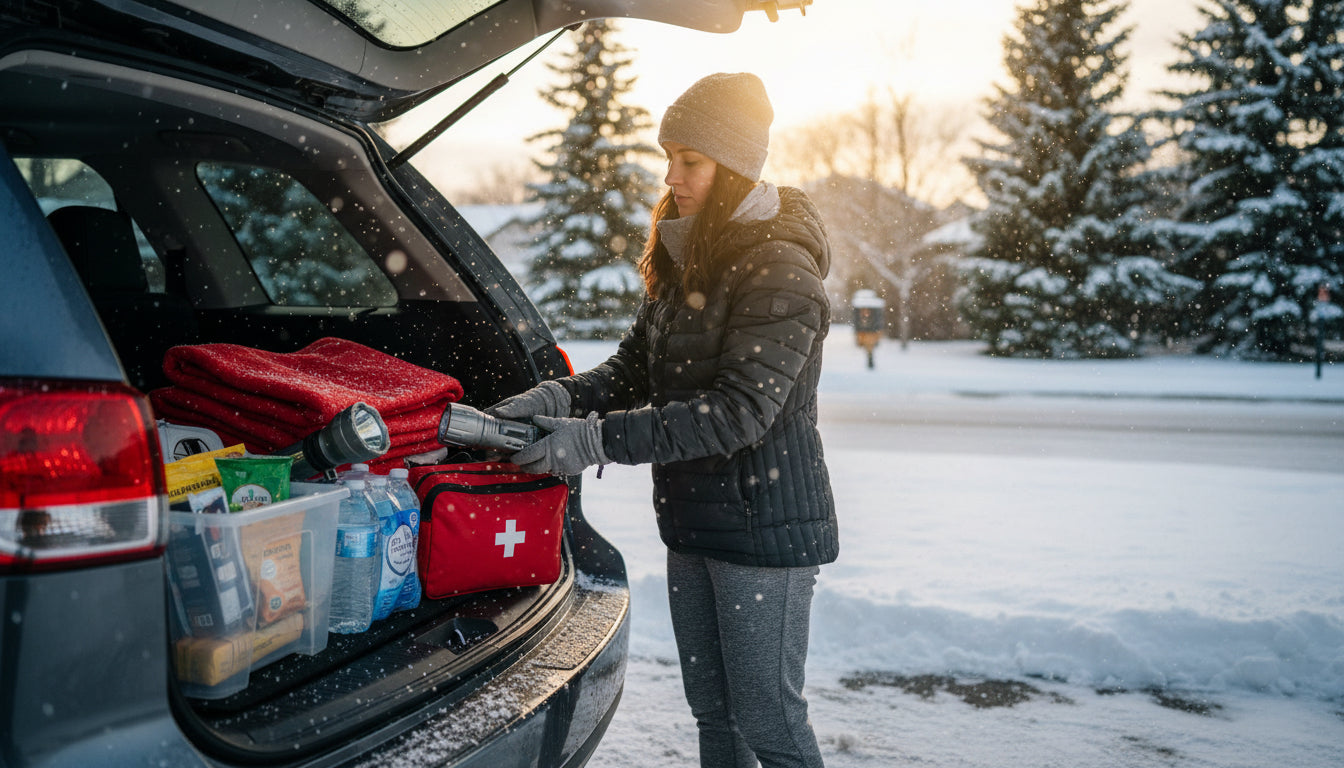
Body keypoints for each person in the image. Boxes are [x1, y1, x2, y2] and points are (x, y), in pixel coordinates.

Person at [490, 72, 836, 768]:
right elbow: (632, 370)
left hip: (764, 531)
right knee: (716, 716)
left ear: (735, 166)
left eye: (692, 161)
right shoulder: (688, 257)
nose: (673, 176)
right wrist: (556, 399)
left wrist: (593, 440)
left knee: (769, 723)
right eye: (669, 157)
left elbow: (738, 413)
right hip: (694, 522)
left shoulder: (779, 268)